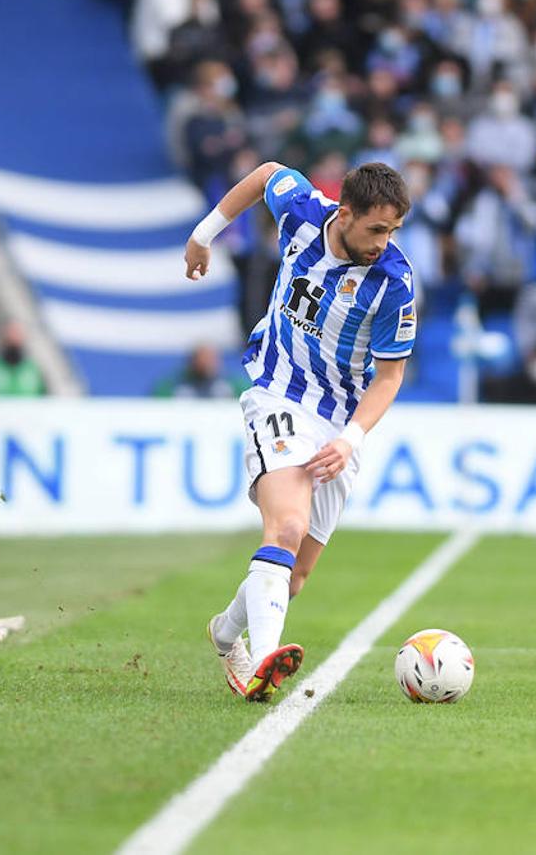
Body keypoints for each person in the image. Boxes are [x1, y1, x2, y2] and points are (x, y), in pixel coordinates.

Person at [184, 160, 415, 701]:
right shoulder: (305, 213)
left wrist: (350, 439)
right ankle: (265, 662)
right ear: (345, 213)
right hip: (277, 394)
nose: (383, 243)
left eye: (393, 231)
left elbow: (389, 377)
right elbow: (266, 173)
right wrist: (203, 235)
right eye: (376, 229)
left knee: (295, 577)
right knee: (286, 527)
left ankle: (226, 633)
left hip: (339, 423)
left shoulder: (393, 283)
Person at [0, 319, 45, 396]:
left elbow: (46, 398)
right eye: (10, 333)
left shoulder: (34, 370)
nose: (14, 338)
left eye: (18, 333)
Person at [151, 341, 247, 398]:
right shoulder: (174, 387)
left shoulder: (233, 386)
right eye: (202, 358)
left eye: (210, 358)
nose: (206, 363)